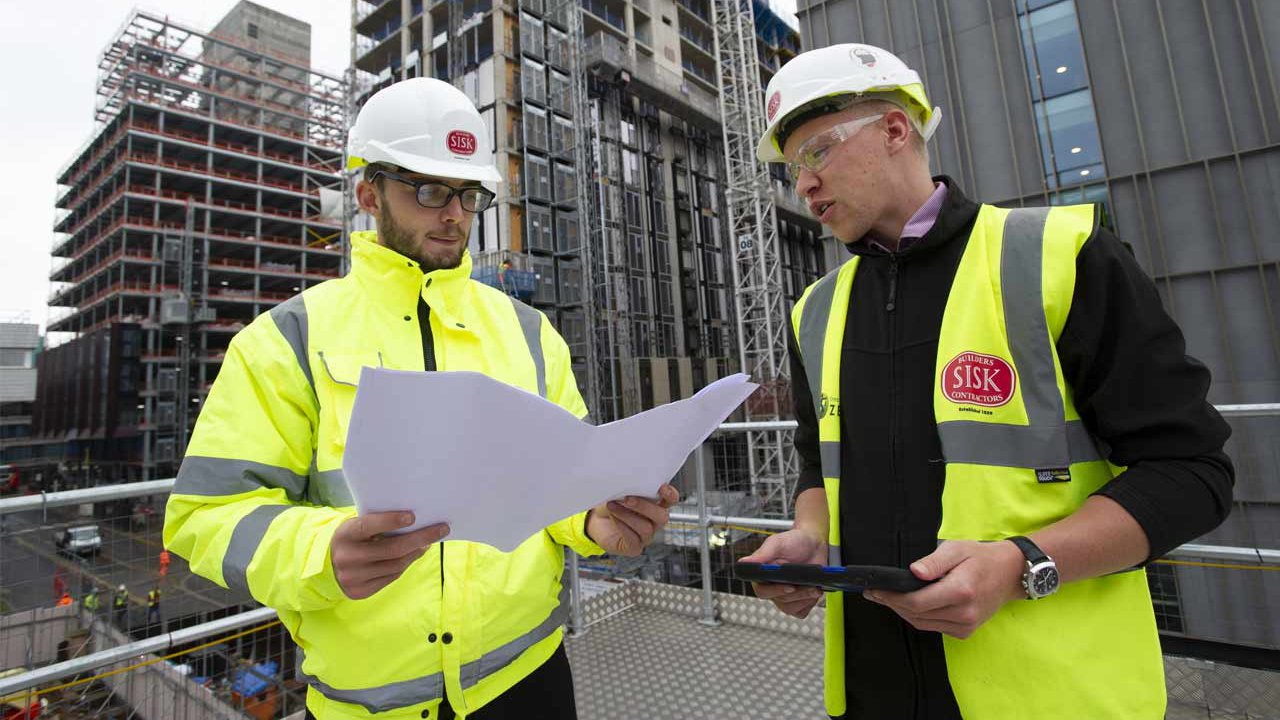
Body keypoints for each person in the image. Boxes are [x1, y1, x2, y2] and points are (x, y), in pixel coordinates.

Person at [742, 43, 1234, 719]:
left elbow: (1192, 472)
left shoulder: (1059, 257)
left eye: (817, 153)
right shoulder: (816, 311)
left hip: (1053, 696)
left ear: (893, 130)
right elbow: (816, 465)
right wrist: (807, 536)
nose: (803, 184)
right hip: (872, 689)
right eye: (792, 168)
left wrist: (1022, 564)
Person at [164, 77, 678, 720]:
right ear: (367, 192)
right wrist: (320, 551)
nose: (455, 213)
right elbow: (204, 516)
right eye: (430, 189)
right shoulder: (287, 340)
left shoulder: (528, 332)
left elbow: (561, 484)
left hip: (528, 677)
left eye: (468, 194)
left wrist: (596, 519)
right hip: (374, 703)